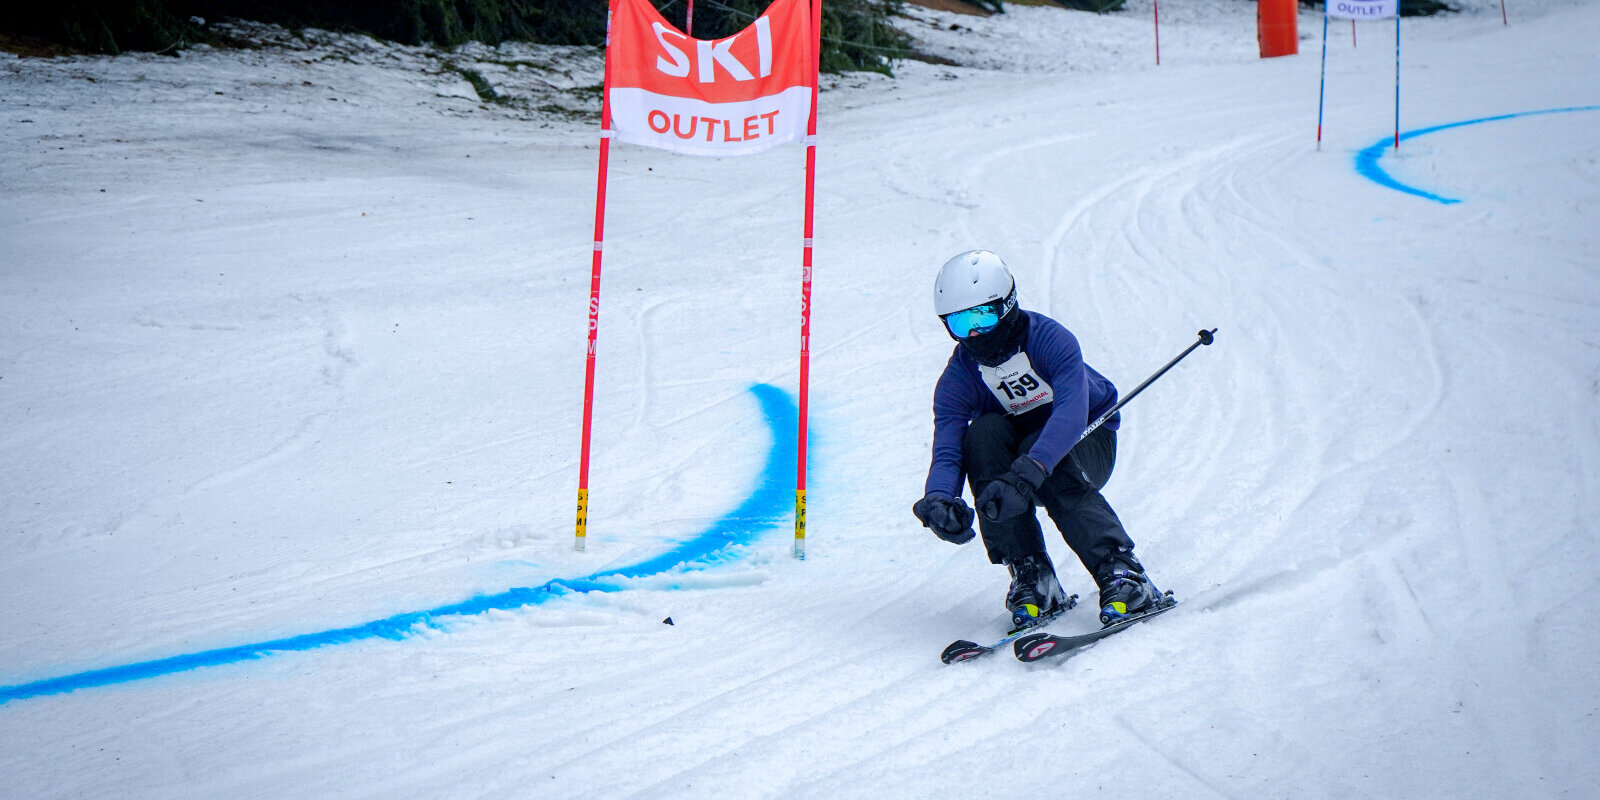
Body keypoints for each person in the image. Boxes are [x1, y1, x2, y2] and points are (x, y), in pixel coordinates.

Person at [912, 249, 1165, 631]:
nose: (976, 332)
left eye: (983, 315)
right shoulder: (958, 379)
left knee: (1052, 456)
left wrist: (1030, 470)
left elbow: (1070, 414)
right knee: (980, 435)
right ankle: (1032, 575)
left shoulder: (1049, 340)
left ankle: (1123, 573)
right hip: (1020, 463)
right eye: (962, 324)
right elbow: (948, 448)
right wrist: (939, 500)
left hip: (1084, 445)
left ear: (1008, 304)